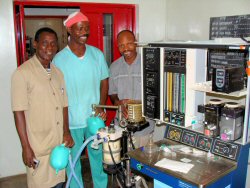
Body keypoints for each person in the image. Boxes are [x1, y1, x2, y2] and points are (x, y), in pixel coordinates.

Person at [11, 27, 74, 188]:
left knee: (59, 182)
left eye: (53, 44)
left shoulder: (58, 73)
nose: (49, 48)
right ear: (36, 44)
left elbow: (64, 104)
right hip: (38, 146)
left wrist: (66, 132)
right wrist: (25, 147)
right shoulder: (22, 73)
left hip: (58, 145)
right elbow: (18, 112)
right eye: (45, 43)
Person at [53, 12, 109, 188]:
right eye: (80, 28)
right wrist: (64, 128)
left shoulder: (97, 55)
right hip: (72, 121)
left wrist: (100, 106)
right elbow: (57, 94)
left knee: (98, 159)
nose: (85, 32)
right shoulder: (59, 59)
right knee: (73, 162)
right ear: (70, 29)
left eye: (87, 28)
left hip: (93, 120)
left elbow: (104, 81)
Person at [109, 30, 155, 148]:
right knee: (122, 161)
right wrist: (117, 102)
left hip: (144, 126)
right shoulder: (114, 67)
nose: (126, 48)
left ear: (135, 43)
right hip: (122, 125)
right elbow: (112, 93)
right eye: (121, 45)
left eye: (129, 43)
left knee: (142, 162)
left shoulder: (148, 64)